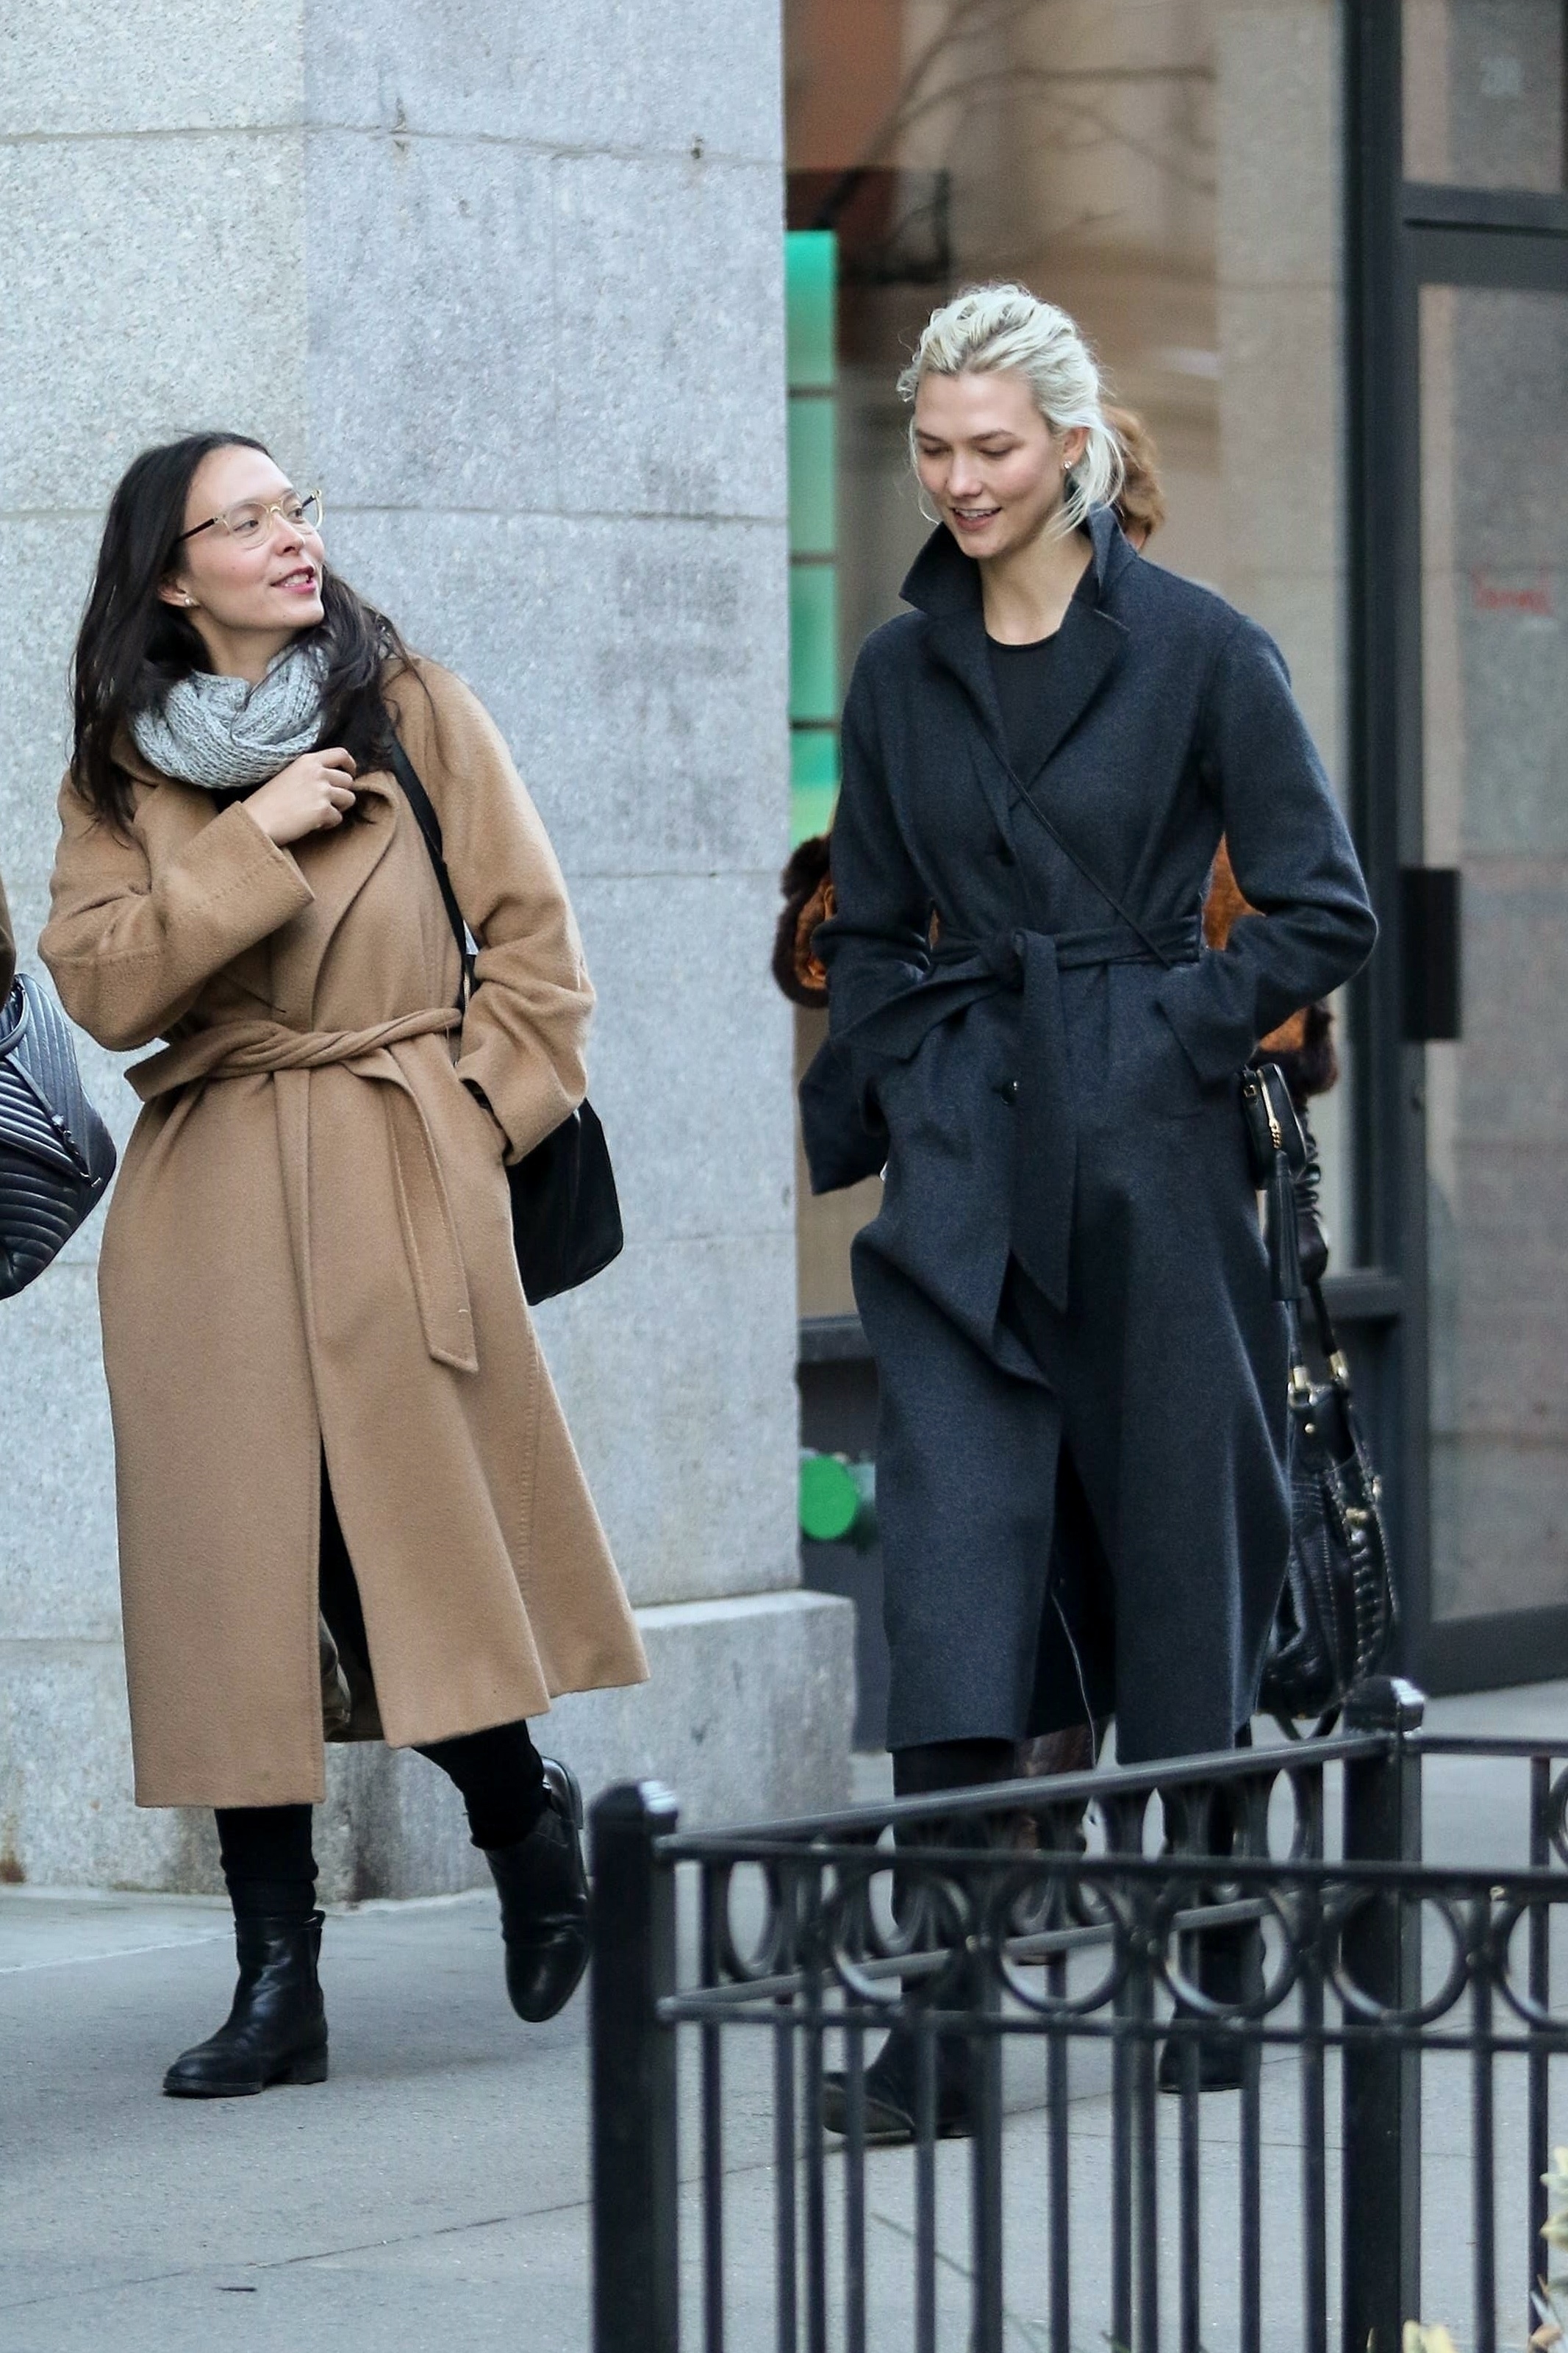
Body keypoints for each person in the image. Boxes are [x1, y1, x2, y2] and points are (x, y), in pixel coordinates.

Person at [807, 286, 1375, 2138]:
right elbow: (866, 924)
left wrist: (1161, 1037)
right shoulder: (898, 672)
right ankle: (941, 2021)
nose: (956, 481)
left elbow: (1320, 906)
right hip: (965, 1182)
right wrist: (908, 1071)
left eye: (989, 447)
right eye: (930, 448)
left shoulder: (1201, 649)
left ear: (1069, 444)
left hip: (1153, 1174)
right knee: (952, 1579)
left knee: (1174, 1570)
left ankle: (1205, 1958)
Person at [41, 434, 648, 2099]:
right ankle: (276, 1979)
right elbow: (102, 984)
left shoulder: (412, 707)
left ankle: (524, 1832)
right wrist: (256, 837)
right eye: (242, 521)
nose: (288, 537)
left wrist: (471, 1122)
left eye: (292, 507)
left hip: (394, 1160)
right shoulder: (119, 770)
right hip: (210, 1199)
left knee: (397, 1559)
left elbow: (537, 953)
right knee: (239, 1585)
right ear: (174, 576)